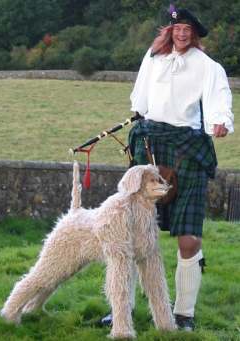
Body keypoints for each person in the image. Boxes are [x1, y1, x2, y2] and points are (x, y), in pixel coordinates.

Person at [100, 6, 234, 331]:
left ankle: (183, 313)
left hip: (187, 150)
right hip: (149, 143)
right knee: (131, 232)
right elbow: (141, 99)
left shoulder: (208, 67)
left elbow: (219, 99)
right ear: (170, 31)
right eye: (177, 29)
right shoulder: (154, 57)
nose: (182, 33)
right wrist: (139, 113)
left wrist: (220, 122)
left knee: (188, 239)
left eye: (188, 29)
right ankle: (123, 308)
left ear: (195, 33)